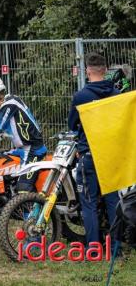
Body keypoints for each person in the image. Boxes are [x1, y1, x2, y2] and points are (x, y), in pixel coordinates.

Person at [68, 52, 120, 248]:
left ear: (87, 71)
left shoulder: (81, 96)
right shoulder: (116, 94)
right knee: (113, 202)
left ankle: (93, 249)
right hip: (110, 157)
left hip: (89, 156)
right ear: (105, 71)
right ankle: (115, 248)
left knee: (88, 203)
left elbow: (72, 125)